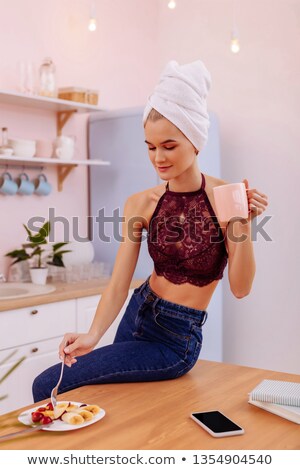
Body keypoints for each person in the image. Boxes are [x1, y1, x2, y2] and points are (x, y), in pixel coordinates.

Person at [32, 60, 268, 402]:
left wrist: (243, 223)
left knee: (46, 385)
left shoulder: (225, 198)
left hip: (175, 340)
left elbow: (241, 288)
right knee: (112, 407)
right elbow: (118, 283)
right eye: (150, 146)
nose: (158, 157)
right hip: (138, 312)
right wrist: (93, 334)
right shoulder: (140, 203)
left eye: (169, 146)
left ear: (196, 142)